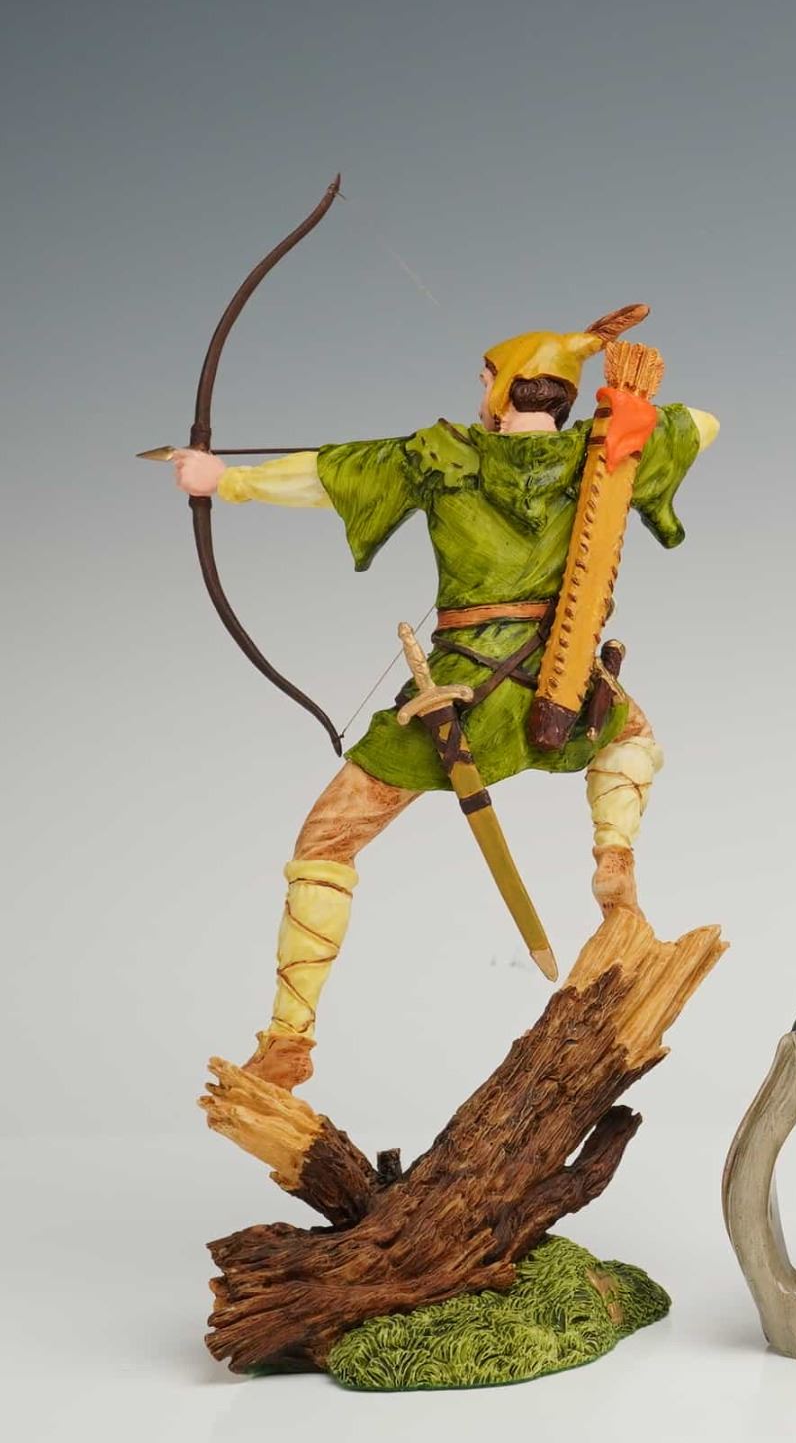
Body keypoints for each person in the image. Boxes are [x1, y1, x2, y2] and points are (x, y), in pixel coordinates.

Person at [167, 310, 719, 1088]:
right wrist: (615, 400)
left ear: (503, 388)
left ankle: (289, 1040)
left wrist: (222, 480)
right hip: (563, 695)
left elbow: (323, 476)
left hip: (456, 702)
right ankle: (613, 851)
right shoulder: (602, 454)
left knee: (325, 844)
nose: (480, 392)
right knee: (631, 739)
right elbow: (703, 422)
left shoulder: (441, 454)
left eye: (487, 379)